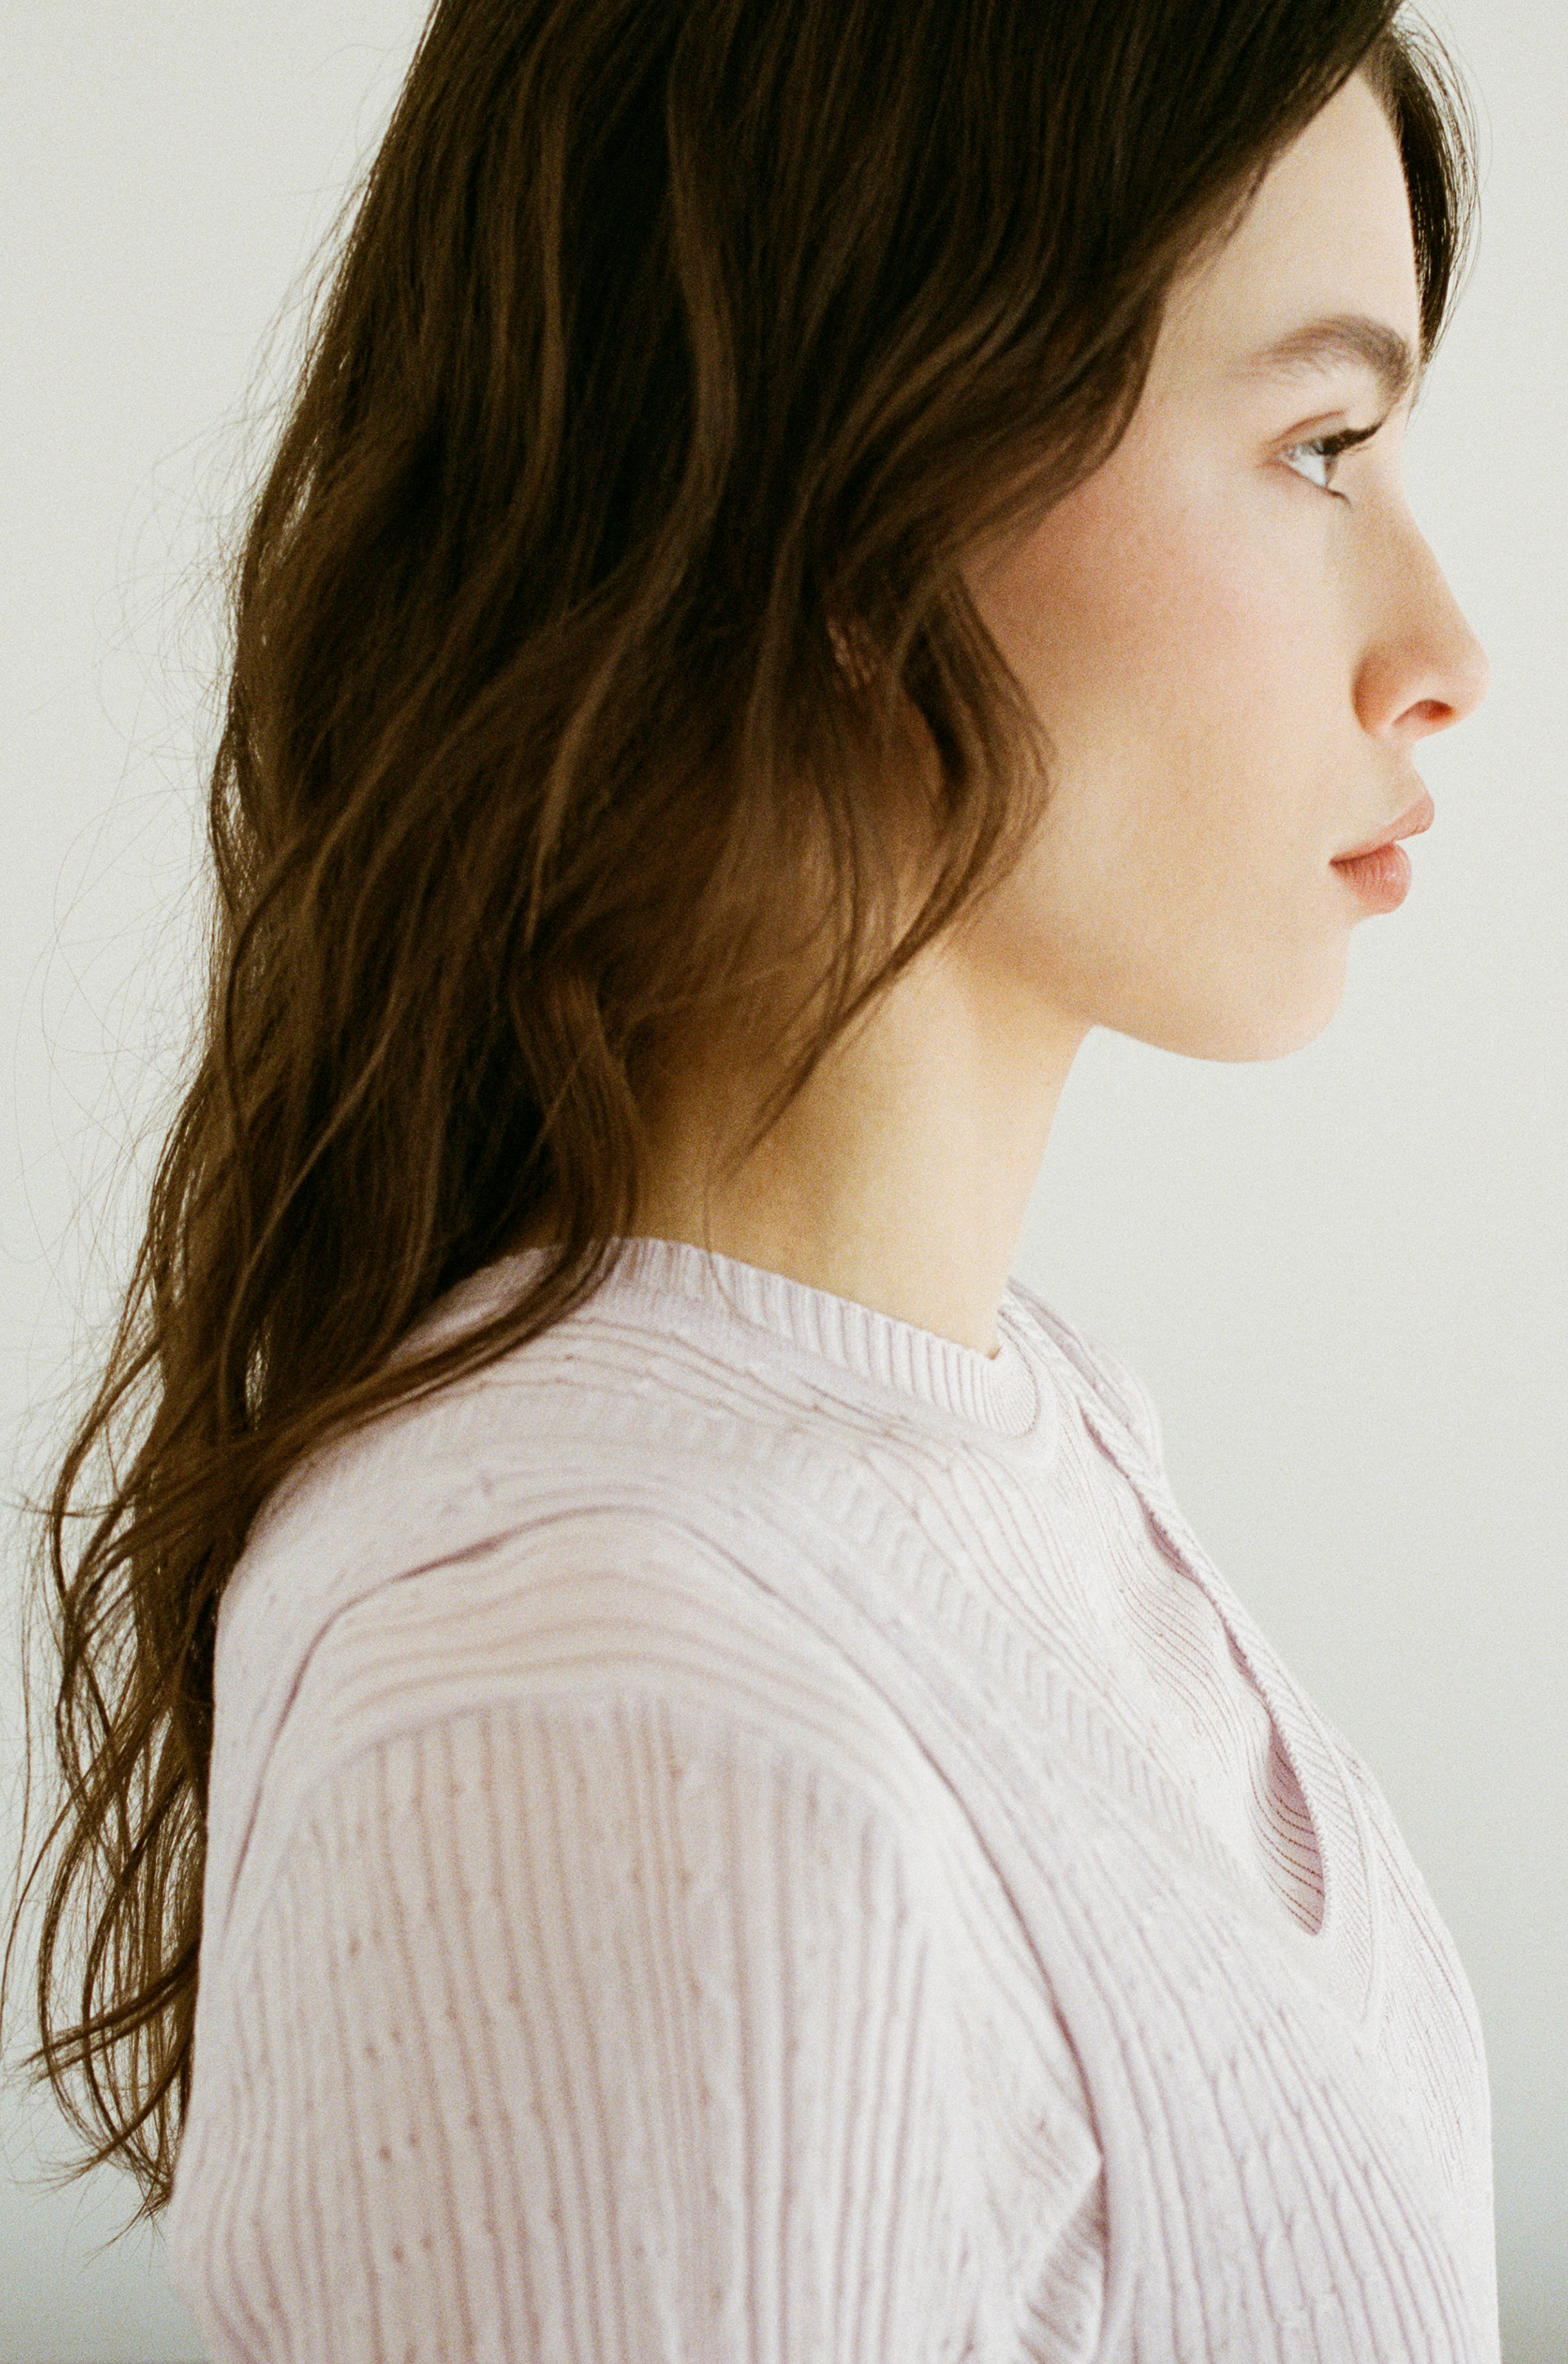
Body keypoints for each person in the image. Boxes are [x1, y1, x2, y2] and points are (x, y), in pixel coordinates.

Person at [6, 1, 1497, 2356]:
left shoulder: (1010, 1448)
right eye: (1320, 444)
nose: (1446, 654)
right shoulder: (610, 1707)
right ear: (851, 471)